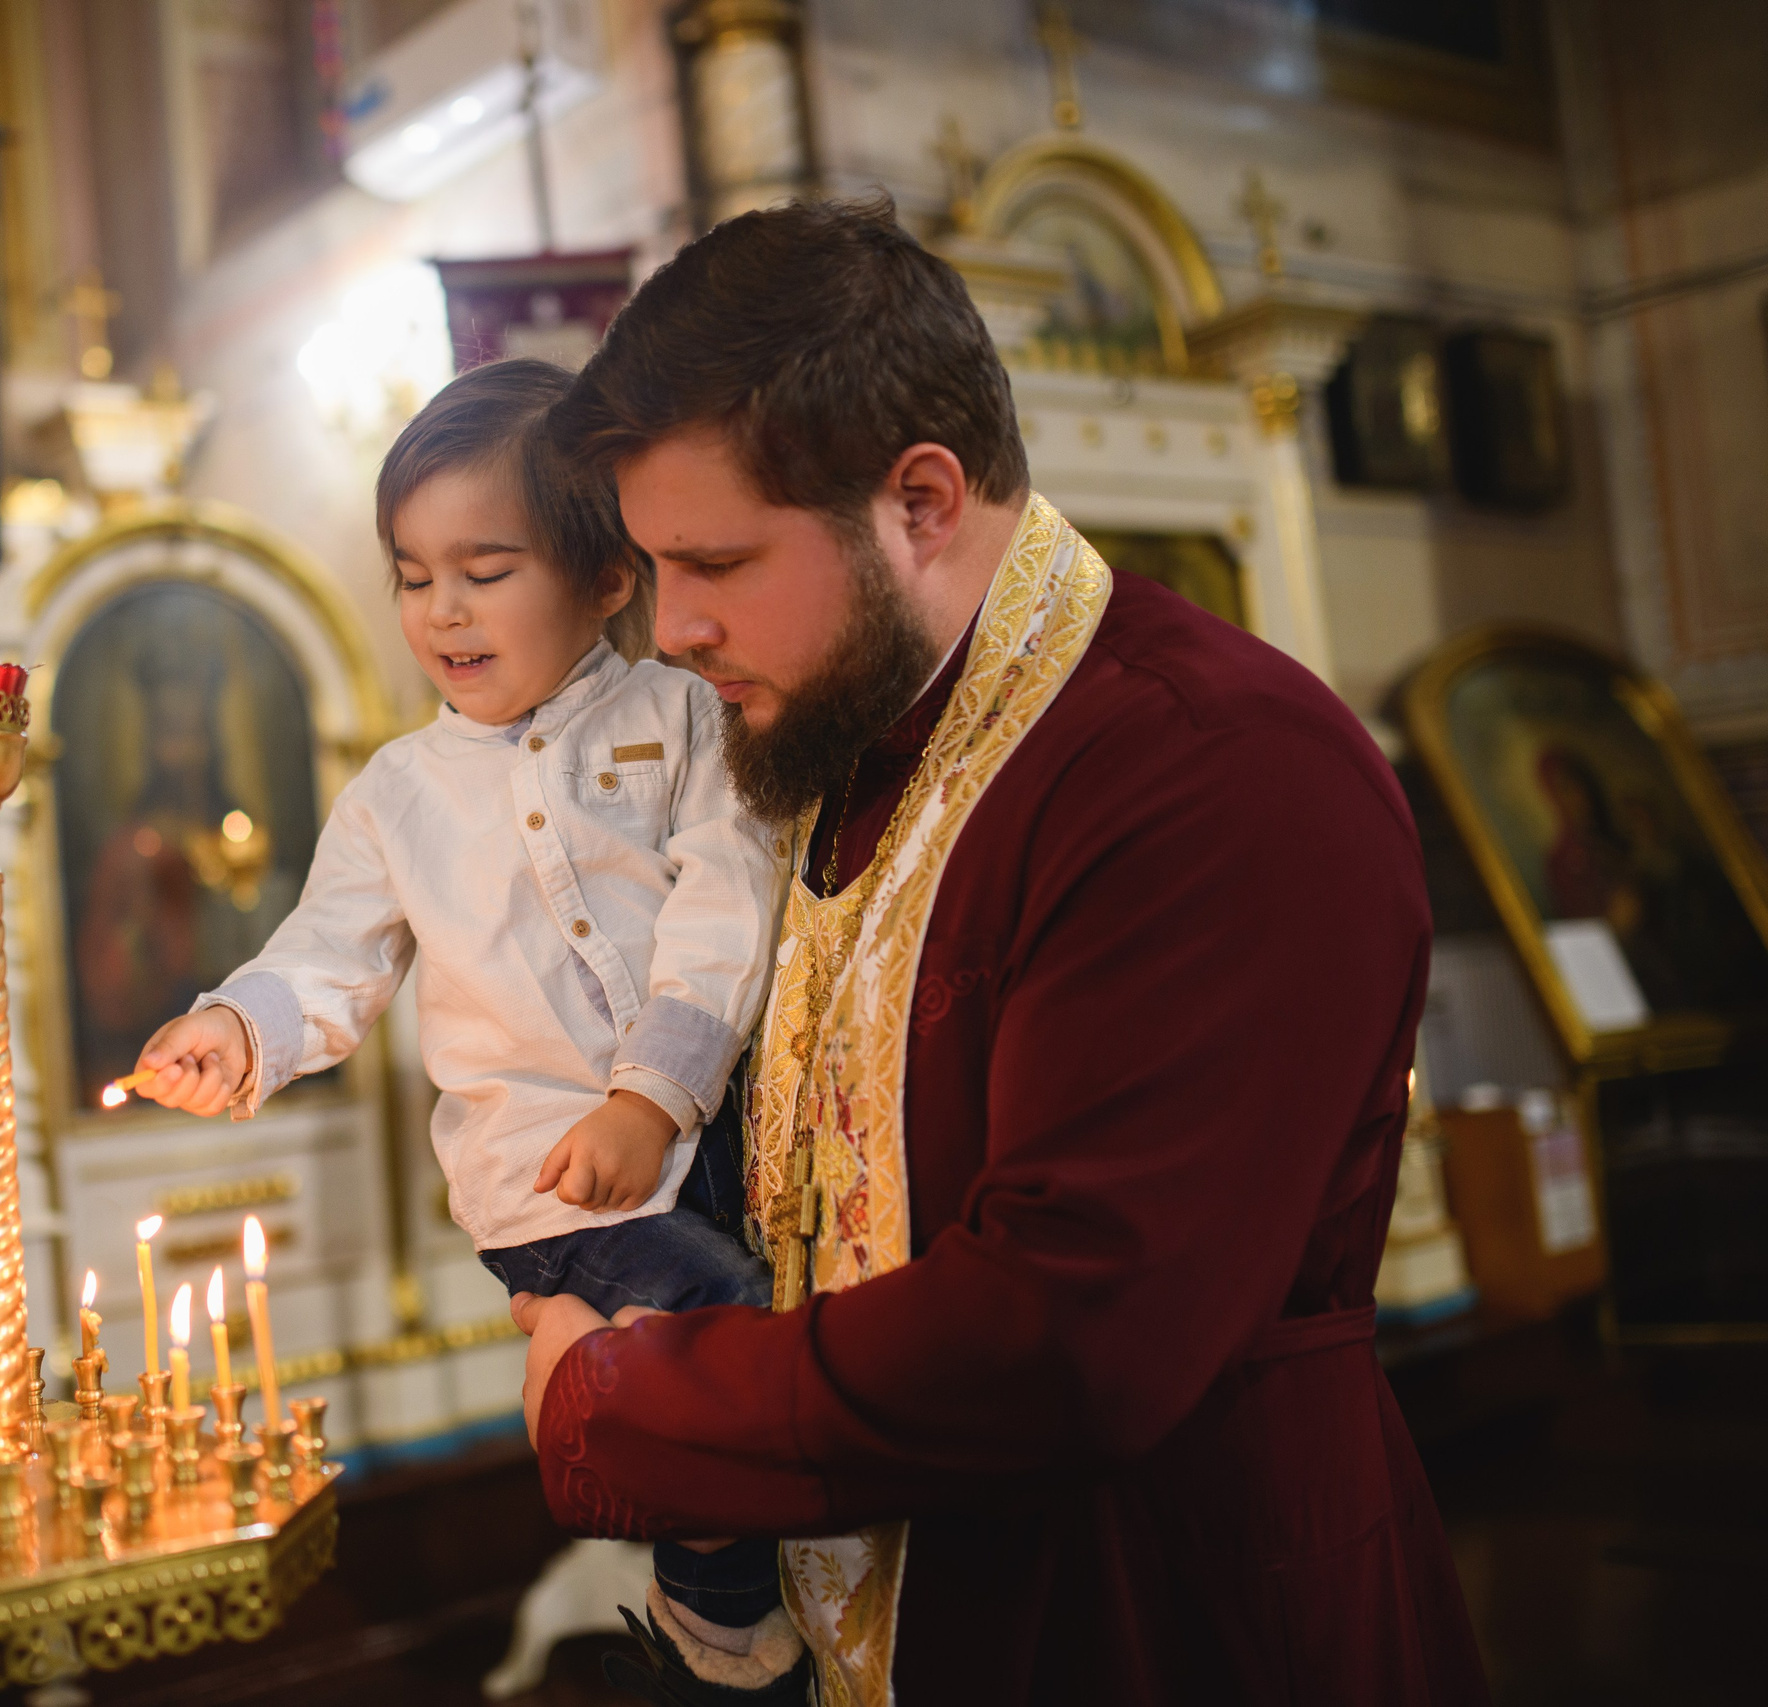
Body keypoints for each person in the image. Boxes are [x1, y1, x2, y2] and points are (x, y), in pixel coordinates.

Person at [515, 198, 1489, 1706]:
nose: (676, 631)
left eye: (715, 562)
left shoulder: (1212, 769)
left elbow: (1071, 1336)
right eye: (653, 571)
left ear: (920, 500)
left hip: (1168, 1625)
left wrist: (619, 1406)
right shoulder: (839, 748)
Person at [130, 359, 793, 1678]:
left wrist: (653, 1092)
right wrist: (240, 1029)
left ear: (608, 576)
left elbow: (733, 899)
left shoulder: (678, 717)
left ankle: (608, 1396)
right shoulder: (397, 794)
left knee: (763, 1311)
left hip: (703, 1131)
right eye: (413, 573)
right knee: (729, 1326)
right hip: (555, 1183)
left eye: (485, 570)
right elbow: (329, 952)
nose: (441, 610)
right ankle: (714, 1617)